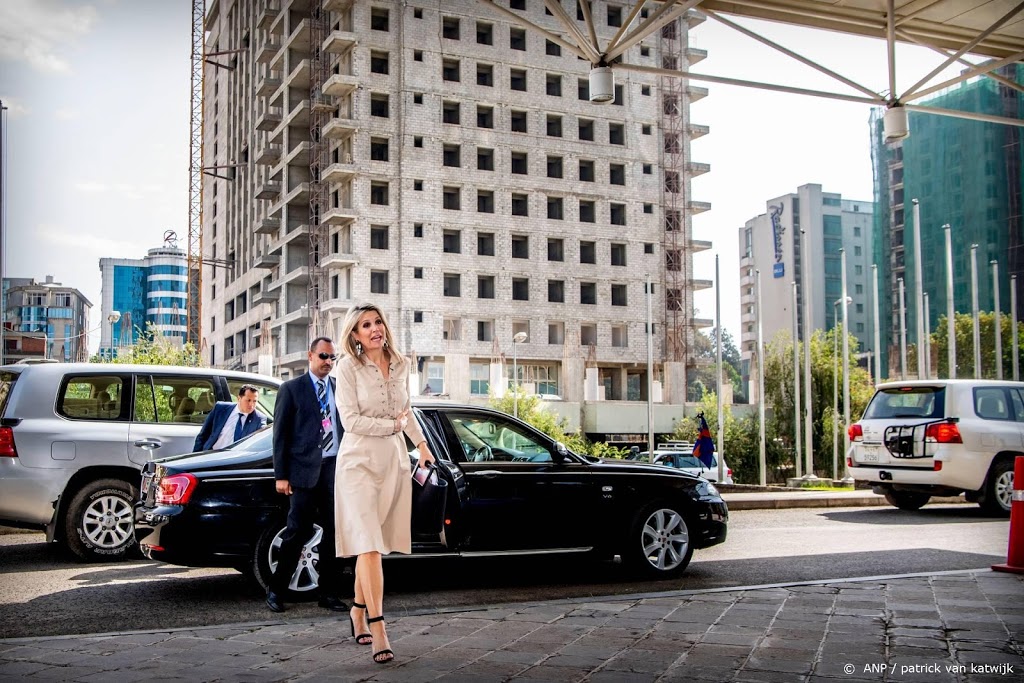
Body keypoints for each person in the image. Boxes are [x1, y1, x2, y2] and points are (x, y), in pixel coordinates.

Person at [335, 303, 436, 664]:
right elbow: (350, 421)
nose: (375, 328)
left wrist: (422, 445)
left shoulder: (401, 364)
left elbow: (406, 412)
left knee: (373, 546)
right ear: (355, 335)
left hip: (392, 461)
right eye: (365, 325)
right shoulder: (347, 367)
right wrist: (393, 427)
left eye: (377, 322)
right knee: (368, 545)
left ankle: (357, 610)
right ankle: (379, 628)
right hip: (358, 462)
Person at [266, 337, 347, 614]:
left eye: (332, 357)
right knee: (297, 532)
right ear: (310, 356)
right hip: (302, 473)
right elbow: (280, 435)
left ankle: (328, 593)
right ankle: (276, 590)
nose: (328, 362)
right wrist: (281, 475)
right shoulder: (291, 389)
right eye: (323, 356)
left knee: (333, 534)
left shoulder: (339, 388)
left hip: (334, 470)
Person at [192, 384, 267, 452]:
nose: (251, 404)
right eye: (248, 400)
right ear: (239, 398)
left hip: (236, 459)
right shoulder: (220, 408)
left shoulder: (259, 418)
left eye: (254, 401)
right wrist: (196, 456)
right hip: (212, 454)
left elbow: (262, 442)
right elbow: (203, 435)